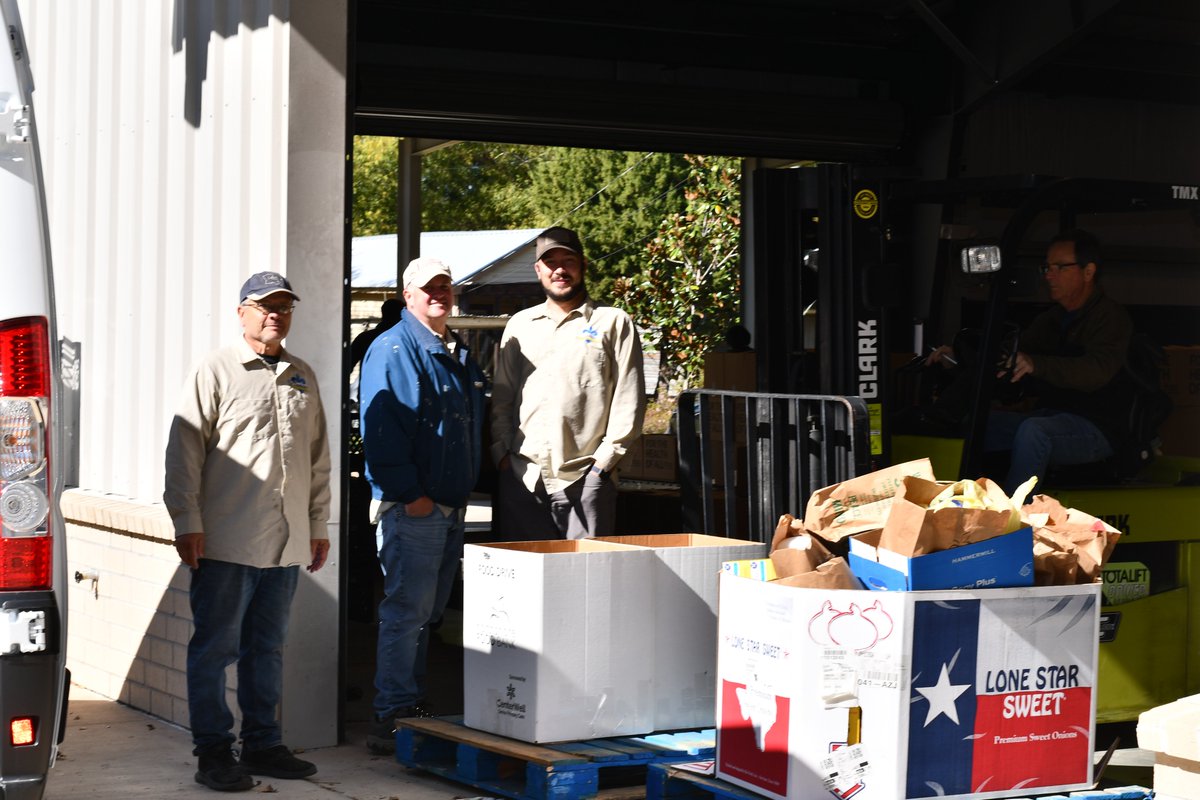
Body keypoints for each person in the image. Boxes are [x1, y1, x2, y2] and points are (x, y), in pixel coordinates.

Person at [164, 271, 331, 792]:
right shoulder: (216, 370)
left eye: (283, 306)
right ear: (242, 313)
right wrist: (187, 521)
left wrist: (317, 525)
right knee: (214, 650)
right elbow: (184, 453)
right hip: (228, 542)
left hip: (285, 545)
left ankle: (262, 743)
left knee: (268, 648)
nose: (274, 314)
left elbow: (319, 459)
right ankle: (213, 751)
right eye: (263, 306)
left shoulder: (301, 375)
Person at [358, 257, 486, 754]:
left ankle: (409, 708)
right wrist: (413, 497)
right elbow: (382, 432)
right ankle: (390, 714)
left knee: (425, 614)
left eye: (445, 286)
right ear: (407, 295)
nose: (439, 294)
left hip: (448, 508)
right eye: (427, 288)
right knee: (407, 611)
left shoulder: (453, 349)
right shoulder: (393, 348)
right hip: (416, 509)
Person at [928, 229, 1133, 494]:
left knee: (1034, 431)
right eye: (1047, 267)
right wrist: (961, 357)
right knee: (978, 424)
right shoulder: (1052, 319)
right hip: (1052, 416)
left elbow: (1096, 371)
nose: (1049, 275)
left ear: (1088, 271)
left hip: (1097, 427)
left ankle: (1015, 520)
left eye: (1060, 267)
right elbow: (1011, 353)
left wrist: (1037, 365)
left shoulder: (1110, 318)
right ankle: (962, 504)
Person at [490, 226, 646, 540]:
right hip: (524, 479)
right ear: (538, 270)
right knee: (525, 585)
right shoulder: (519, 325)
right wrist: (502, 456)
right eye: (550, 262)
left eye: (568, 260)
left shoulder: (613, 322)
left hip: (585, 480)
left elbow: (629, 401)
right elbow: (502, 398)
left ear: (583, 265)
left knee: (587, 584)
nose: (559, 269)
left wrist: (602, 467)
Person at [350, 297, 402, 374]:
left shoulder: (365, 338)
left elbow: (346, 367)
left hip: (368, 384)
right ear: (400, 317)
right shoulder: (403, 341)